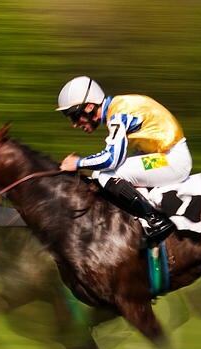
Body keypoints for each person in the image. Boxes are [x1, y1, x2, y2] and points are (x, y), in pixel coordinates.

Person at [56, 76, 192, 247]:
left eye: (75, 116)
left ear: (89, 107)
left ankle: (155, 219)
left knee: (105, 176)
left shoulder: (117, 114)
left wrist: (79, 163)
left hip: (172, 160)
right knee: (99, 174)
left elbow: (112, 159)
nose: (75, 124)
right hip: (166, 155)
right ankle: (147, 214)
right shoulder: (119, 106)